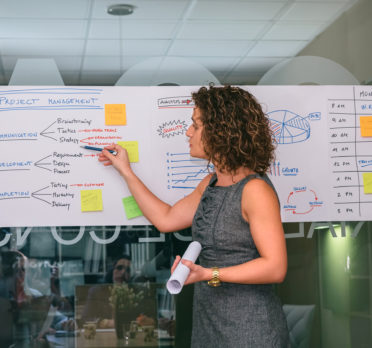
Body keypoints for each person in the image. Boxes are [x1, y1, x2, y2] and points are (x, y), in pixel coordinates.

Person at [99, 85, 290, 347]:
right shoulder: (210, 182)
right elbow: (165, 219)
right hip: (210, 324)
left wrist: (208, 274)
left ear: (222, 130)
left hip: (250, 329)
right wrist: (126, 171)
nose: (188, 132)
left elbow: (275, 267)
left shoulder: (254, 190)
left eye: (196, 125)